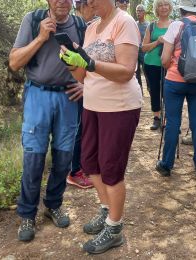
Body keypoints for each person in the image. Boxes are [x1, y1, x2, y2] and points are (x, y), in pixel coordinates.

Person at [59, 0, 142, 253]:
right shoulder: (91, 28)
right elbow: (82, 76)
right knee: (90, 161)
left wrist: (89, 63)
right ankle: (107, 212)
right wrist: (72, 63)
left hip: (119, 106)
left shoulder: (124, 22)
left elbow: (127, 71)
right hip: (92, 104)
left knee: (111, 168)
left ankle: (115, 228)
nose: (88, 2)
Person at [9, 0, 84, 241]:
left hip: (68, 98)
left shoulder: (82, 25)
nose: (62, 1)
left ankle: (53, 204)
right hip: (37, 95)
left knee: (64, 158)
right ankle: (27, 215)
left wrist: (85, 85)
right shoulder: (32, 20)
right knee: (33, 157)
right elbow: (14, 62)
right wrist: (41, 37)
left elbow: (93, 63)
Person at [155, 0, 196, 177]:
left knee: (172, 122)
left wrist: (173, 68)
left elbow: (165, 59)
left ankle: (166, 164)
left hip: (175, 81)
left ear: (181, 8)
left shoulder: (176, 26)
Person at [66, 0, 96, 189]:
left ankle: (82, 167)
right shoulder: (78, 27)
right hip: (76, 86)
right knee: (80, 129)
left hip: (84, 85)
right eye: (90, 6)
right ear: (81, 7)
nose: (93, 10)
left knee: (84, 128)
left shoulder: (85, 26)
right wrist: (80, 82)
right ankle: (75, 170)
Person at [142, 0, 173, 130]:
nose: (163, 7)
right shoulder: (152, 26)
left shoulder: (175, 25)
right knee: (154, 90)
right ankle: (157, 117)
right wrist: (158, 42)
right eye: (160, 5)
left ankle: (167, 118)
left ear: (170, 7)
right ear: (156, 8)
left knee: (169, 91)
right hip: (151, 63)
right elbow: (143, 47)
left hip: (169, 64)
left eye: (166, 4)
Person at [135, 4, 149, 95]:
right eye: (137, 11)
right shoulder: (134, 24)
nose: (138, 12)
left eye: (140, 10)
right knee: (136, 74)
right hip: (135, 53)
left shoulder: (148, 25)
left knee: (147, 74)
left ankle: (150, 90)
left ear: (144, 12)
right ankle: (140, 93)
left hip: (145, 53)